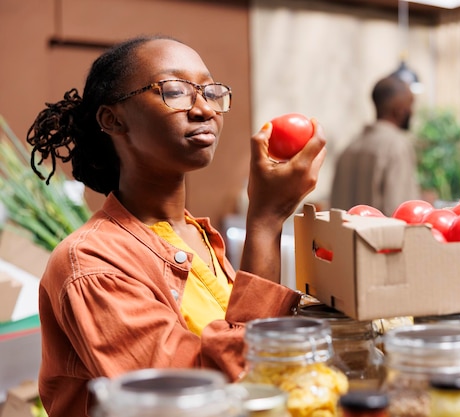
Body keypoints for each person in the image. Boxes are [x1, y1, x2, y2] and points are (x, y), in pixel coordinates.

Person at [26, 35, 326, 417]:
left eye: (211, 91)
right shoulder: (91, 264)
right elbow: (194, 400)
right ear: (111, 119)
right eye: (175, 90)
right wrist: (265, 221)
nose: (204, 109)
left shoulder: (194, 235)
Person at [330, 75, 420, 216]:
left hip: (342, 238)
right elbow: (401, 214)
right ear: (399, 109)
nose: (412, 111)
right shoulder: (396, 147)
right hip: (380, 238)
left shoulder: (349, 147)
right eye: (410, 105)